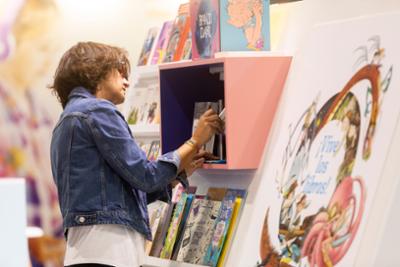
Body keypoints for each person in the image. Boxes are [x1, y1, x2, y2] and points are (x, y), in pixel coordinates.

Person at [49, 41, 223, 267]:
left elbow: (126, 193)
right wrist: (195, 140)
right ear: (95, 72)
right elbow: (146, 177)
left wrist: (179, 173)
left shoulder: (67, 121)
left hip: (85, 251)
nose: (127, 81)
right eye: (120, 72)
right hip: (110, 252)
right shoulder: (97, 111)